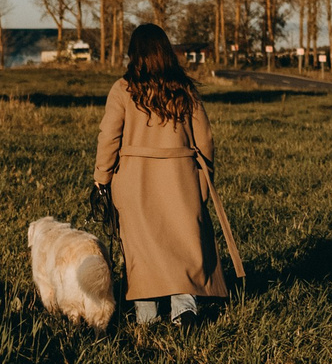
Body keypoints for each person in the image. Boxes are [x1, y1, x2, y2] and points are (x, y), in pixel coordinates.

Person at [90, 22, 231, 326]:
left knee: (142, 248)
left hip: (134, 181)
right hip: (181, 178)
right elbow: (205, 138)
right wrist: (204, 177)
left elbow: (109, 136)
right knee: (184, 243)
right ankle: (185, 310)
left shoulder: (123, 88)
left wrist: (102, 177)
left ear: (134, 53)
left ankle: (147, 318)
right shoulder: (185, 89)